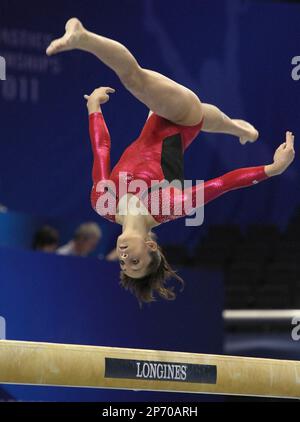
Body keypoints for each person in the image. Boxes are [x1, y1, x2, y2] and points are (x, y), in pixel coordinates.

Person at [47, 18, 295, 304]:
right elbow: (220, 184)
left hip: (161, 120)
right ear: (151, 246)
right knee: (134, 79)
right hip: (180, 117)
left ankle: (239, 128)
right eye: (136, 262)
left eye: (125, 264)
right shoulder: (168, 207)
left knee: (204, 117)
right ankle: (83, 37)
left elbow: (101, 151)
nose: (126, 258)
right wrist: (272, 170)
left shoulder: (103, 204)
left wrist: (93, 110)